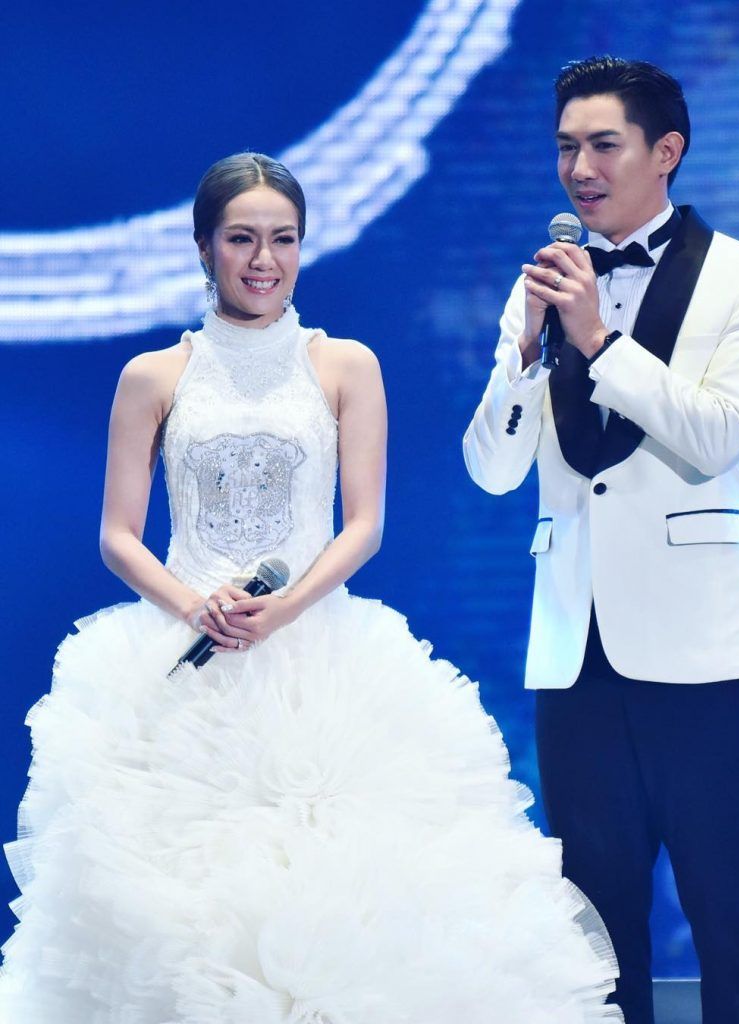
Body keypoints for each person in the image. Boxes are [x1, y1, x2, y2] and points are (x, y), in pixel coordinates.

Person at [0, 152, 624, 1023]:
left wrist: (285, 609)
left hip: (321, 656)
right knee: (174, 907)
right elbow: (117, 536)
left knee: (348, 899)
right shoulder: (153, 376)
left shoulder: (345, 365)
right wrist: (195, 605)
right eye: (241, 239)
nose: (264, 260)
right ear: (203, 247)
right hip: (183, 654)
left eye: (283, 239)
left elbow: (363, 524)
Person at [464, 56, 739, 1024]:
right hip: (576, 646)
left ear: (666, 150)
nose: (580, 168)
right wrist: (527, 350)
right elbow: (490, 470)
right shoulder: (541, 286)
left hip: (699, 647)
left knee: (728, 913)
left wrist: (600, 342)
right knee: (594, 929)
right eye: (566, 147)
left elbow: (717, 436)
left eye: (604, 144)